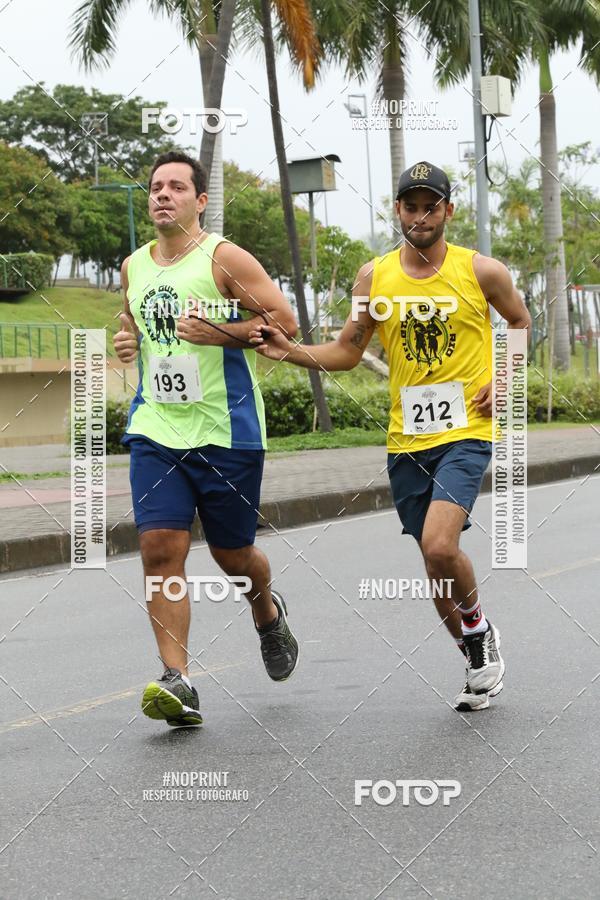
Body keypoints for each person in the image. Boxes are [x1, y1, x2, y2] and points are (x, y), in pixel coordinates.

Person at [251, 161, 531, 712]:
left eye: (431, 206)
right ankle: (475, 651)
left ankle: (477, 631)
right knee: (433, 563)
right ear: (397, 210)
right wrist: (287, 350)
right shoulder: (373, 278)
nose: (420, 215)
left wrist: (505, 378)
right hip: (407, 441)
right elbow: (349, 350)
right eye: (410, 205)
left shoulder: (482, 271)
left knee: (440, 544)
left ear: (449, 211)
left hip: (466, 431)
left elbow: (520, 323)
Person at [113, 150, 300, 728]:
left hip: (227, 432)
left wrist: (223, 333)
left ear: (199, 201)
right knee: (159, 550)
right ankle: (180, 681)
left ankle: (265, 610)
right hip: (156, 429)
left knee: (232, 554)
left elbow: (284, 325)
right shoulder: (134, 265)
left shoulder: (224, 259)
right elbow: (132, 320)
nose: (162, 194)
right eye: (155, 186)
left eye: (175, 187)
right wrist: (126, 342)